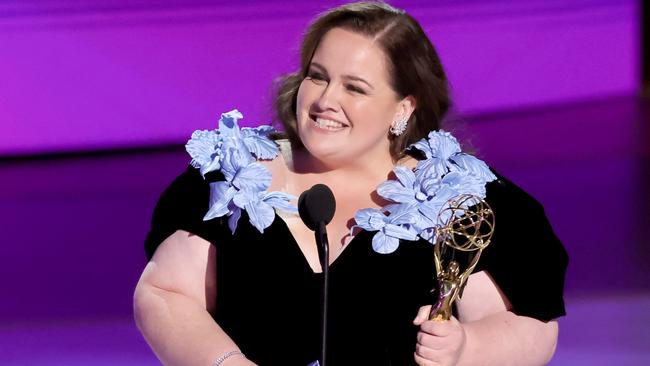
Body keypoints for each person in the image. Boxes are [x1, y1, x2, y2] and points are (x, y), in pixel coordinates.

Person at [133, 2, 568, 365]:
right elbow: (165, 293)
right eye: (318, 76)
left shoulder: (459, 199)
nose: (325, 100)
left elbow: (532, 329)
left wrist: (468, 348)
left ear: (403, 108)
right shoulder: (230, 175)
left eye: (355, 88)